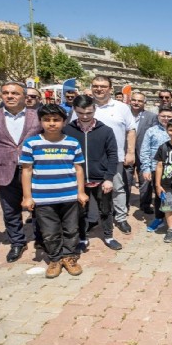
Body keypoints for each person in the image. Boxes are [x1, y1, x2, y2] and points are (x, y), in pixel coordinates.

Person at [0, 81, 43, 262]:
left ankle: (41, 238)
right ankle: (17, 242)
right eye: (6, 93)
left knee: (39, 207)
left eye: (15, 93)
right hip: (3, 171)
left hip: (34, 170)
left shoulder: (38, 116)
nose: (10, 96)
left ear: (24, 97)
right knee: (10, 210)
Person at [20, 104, 88, 278]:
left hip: (69, 196)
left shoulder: (72, 142)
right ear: (40, 121)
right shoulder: (31, 143)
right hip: (43, 198)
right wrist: (27, 197)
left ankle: (69, 257)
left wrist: (81, 192)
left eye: (56, 120)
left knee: (71, 229)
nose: (52, 123)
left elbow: (79, 169)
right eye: (47, 120)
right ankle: (55, 259)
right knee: (50, 233)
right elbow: (26, 170)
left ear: (64, 122)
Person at [63, 95, 121, 252]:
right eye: (80, 113)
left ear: (94, 109)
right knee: (81, 211)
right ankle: (83, 238)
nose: (85, 116)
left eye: (89, 112)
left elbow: (112, 155)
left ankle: (108, 236)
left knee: (106, 209)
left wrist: (109, 178)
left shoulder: (106, 131)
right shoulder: (67, 131)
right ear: (74, 110)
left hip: (101, 179)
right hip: (78, 180)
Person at [79, 76, 136, 235]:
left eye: (103, 86)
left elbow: (131, 130)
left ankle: (121, 217)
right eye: (96, 86)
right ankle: (92, 218)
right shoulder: (85, 106)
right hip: (89, 158)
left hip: (114, 157)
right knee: (91, 189)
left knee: (118, 188)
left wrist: (130, 152)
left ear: (110, 88)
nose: (99, 89)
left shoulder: (122, 107)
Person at [140, 106, 172, 229]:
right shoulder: (151, 131)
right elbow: (145, 150)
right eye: (163, 116)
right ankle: (159, 218)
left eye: (169, 116)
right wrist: (146, 168)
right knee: (160, 194)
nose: (166, 118)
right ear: (158, 116)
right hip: (157, 168)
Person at [129, 91, 158, 214]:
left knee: (145, 180)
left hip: (144, 152)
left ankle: (145, 204)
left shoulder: (151, 116)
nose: (136, 103)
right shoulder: (124, 114)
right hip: (127, 151)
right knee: (126, 179)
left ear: (144, 102)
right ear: (130, 101)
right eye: (134, 100)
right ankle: (124, 205)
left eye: (140, 101)